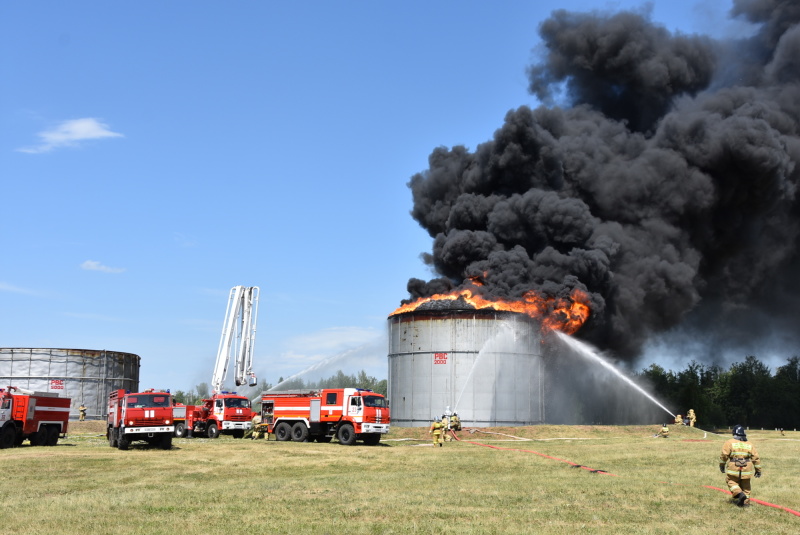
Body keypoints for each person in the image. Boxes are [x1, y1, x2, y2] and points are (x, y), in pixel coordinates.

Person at [720, 425, 762, 507]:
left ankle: (739, 494)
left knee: (731, 481)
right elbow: (755, 458)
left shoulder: (730, 442)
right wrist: (758, 470)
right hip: (747, 468)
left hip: (734, 467)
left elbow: (724, 455)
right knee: (746, 486)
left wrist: (722, 464)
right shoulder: (749, 444)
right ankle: (745, 504)